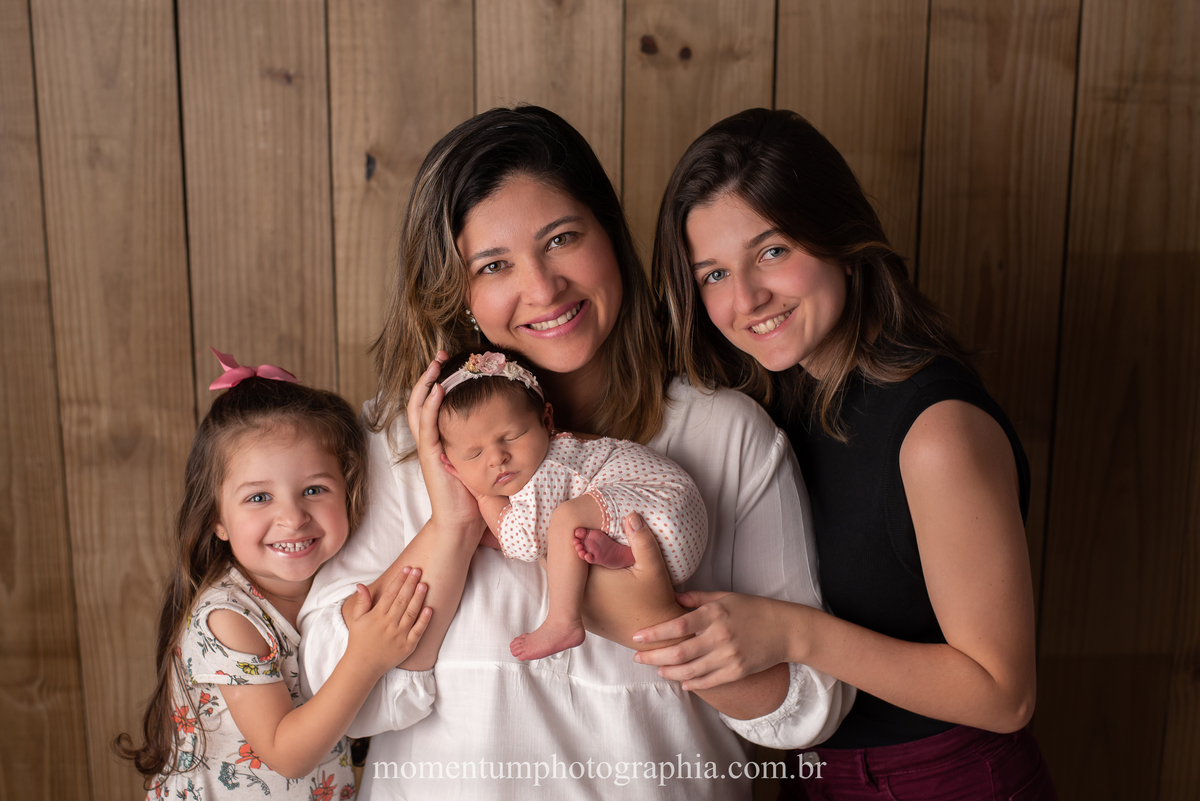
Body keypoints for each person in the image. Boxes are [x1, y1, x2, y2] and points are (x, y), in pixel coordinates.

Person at [298, 105, 854, 800]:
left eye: (561, 239)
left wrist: (656, 621)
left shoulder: (725, 434)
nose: (543, 288)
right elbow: (327, 686)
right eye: (494, 264)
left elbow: (804, 708)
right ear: (461, 293)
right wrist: (454, 527)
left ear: (611, 238)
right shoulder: (403, 439)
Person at [644, 108, 1056, 799]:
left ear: (840, 237)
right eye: (712, 274)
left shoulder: (936, 432)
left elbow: (1004, 693)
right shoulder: (778, 402)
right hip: (816, 776)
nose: (746, 299)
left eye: (772, 251)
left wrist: (793, 634)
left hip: (946, 780)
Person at [115, 349, 432, 800]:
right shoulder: (227, 619)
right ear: (216, 519)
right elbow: (287, 754)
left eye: (314, 489)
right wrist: (367, 657)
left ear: (350, 491)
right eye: (259, 498)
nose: (293, 517)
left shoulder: (335, 582)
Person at [433, 347, 707, 661]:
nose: (497, 458)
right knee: (567, 530)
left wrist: (483, 496)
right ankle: (623, 554)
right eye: (474, 454)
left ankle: (563, 622)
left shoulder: (547, 468)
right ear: (450, 464)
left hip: (665, 508)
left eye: (512, 436)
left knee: (566, 519)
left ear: (546, 420)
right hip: (664, 536)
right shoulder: (554, 461)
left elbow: (525, 543)